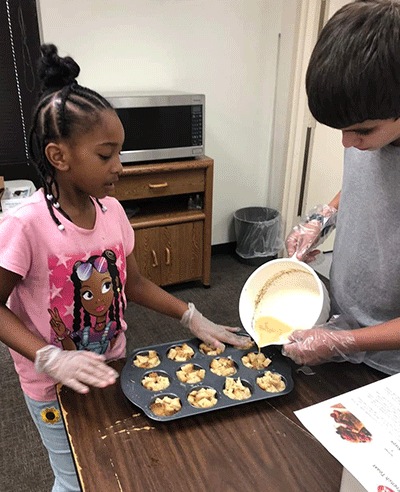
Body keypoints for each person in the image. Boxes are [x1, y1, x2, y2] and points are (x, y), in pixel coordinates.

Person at [0, 44, 249, 492]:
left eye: (121, 152)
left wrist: (192, 315)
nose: (119, 165)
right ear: (59, 157)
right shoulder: (26, 225)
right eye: (105, 155)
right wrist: (48, 356)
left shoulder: (112, 212)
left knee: (113, 463)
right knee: (74, 478)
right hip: (52, 384)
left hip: (114, 364)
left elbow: (133, 282)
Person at [283, 0, 400, 374]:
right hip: (346, 319)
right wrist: (323, 217)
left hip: (388, 361)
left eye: (362, 131)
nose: (347, 144)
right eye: (341, 130)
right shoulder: (376, 123)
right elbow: (369, 184)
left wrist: (341, 341)